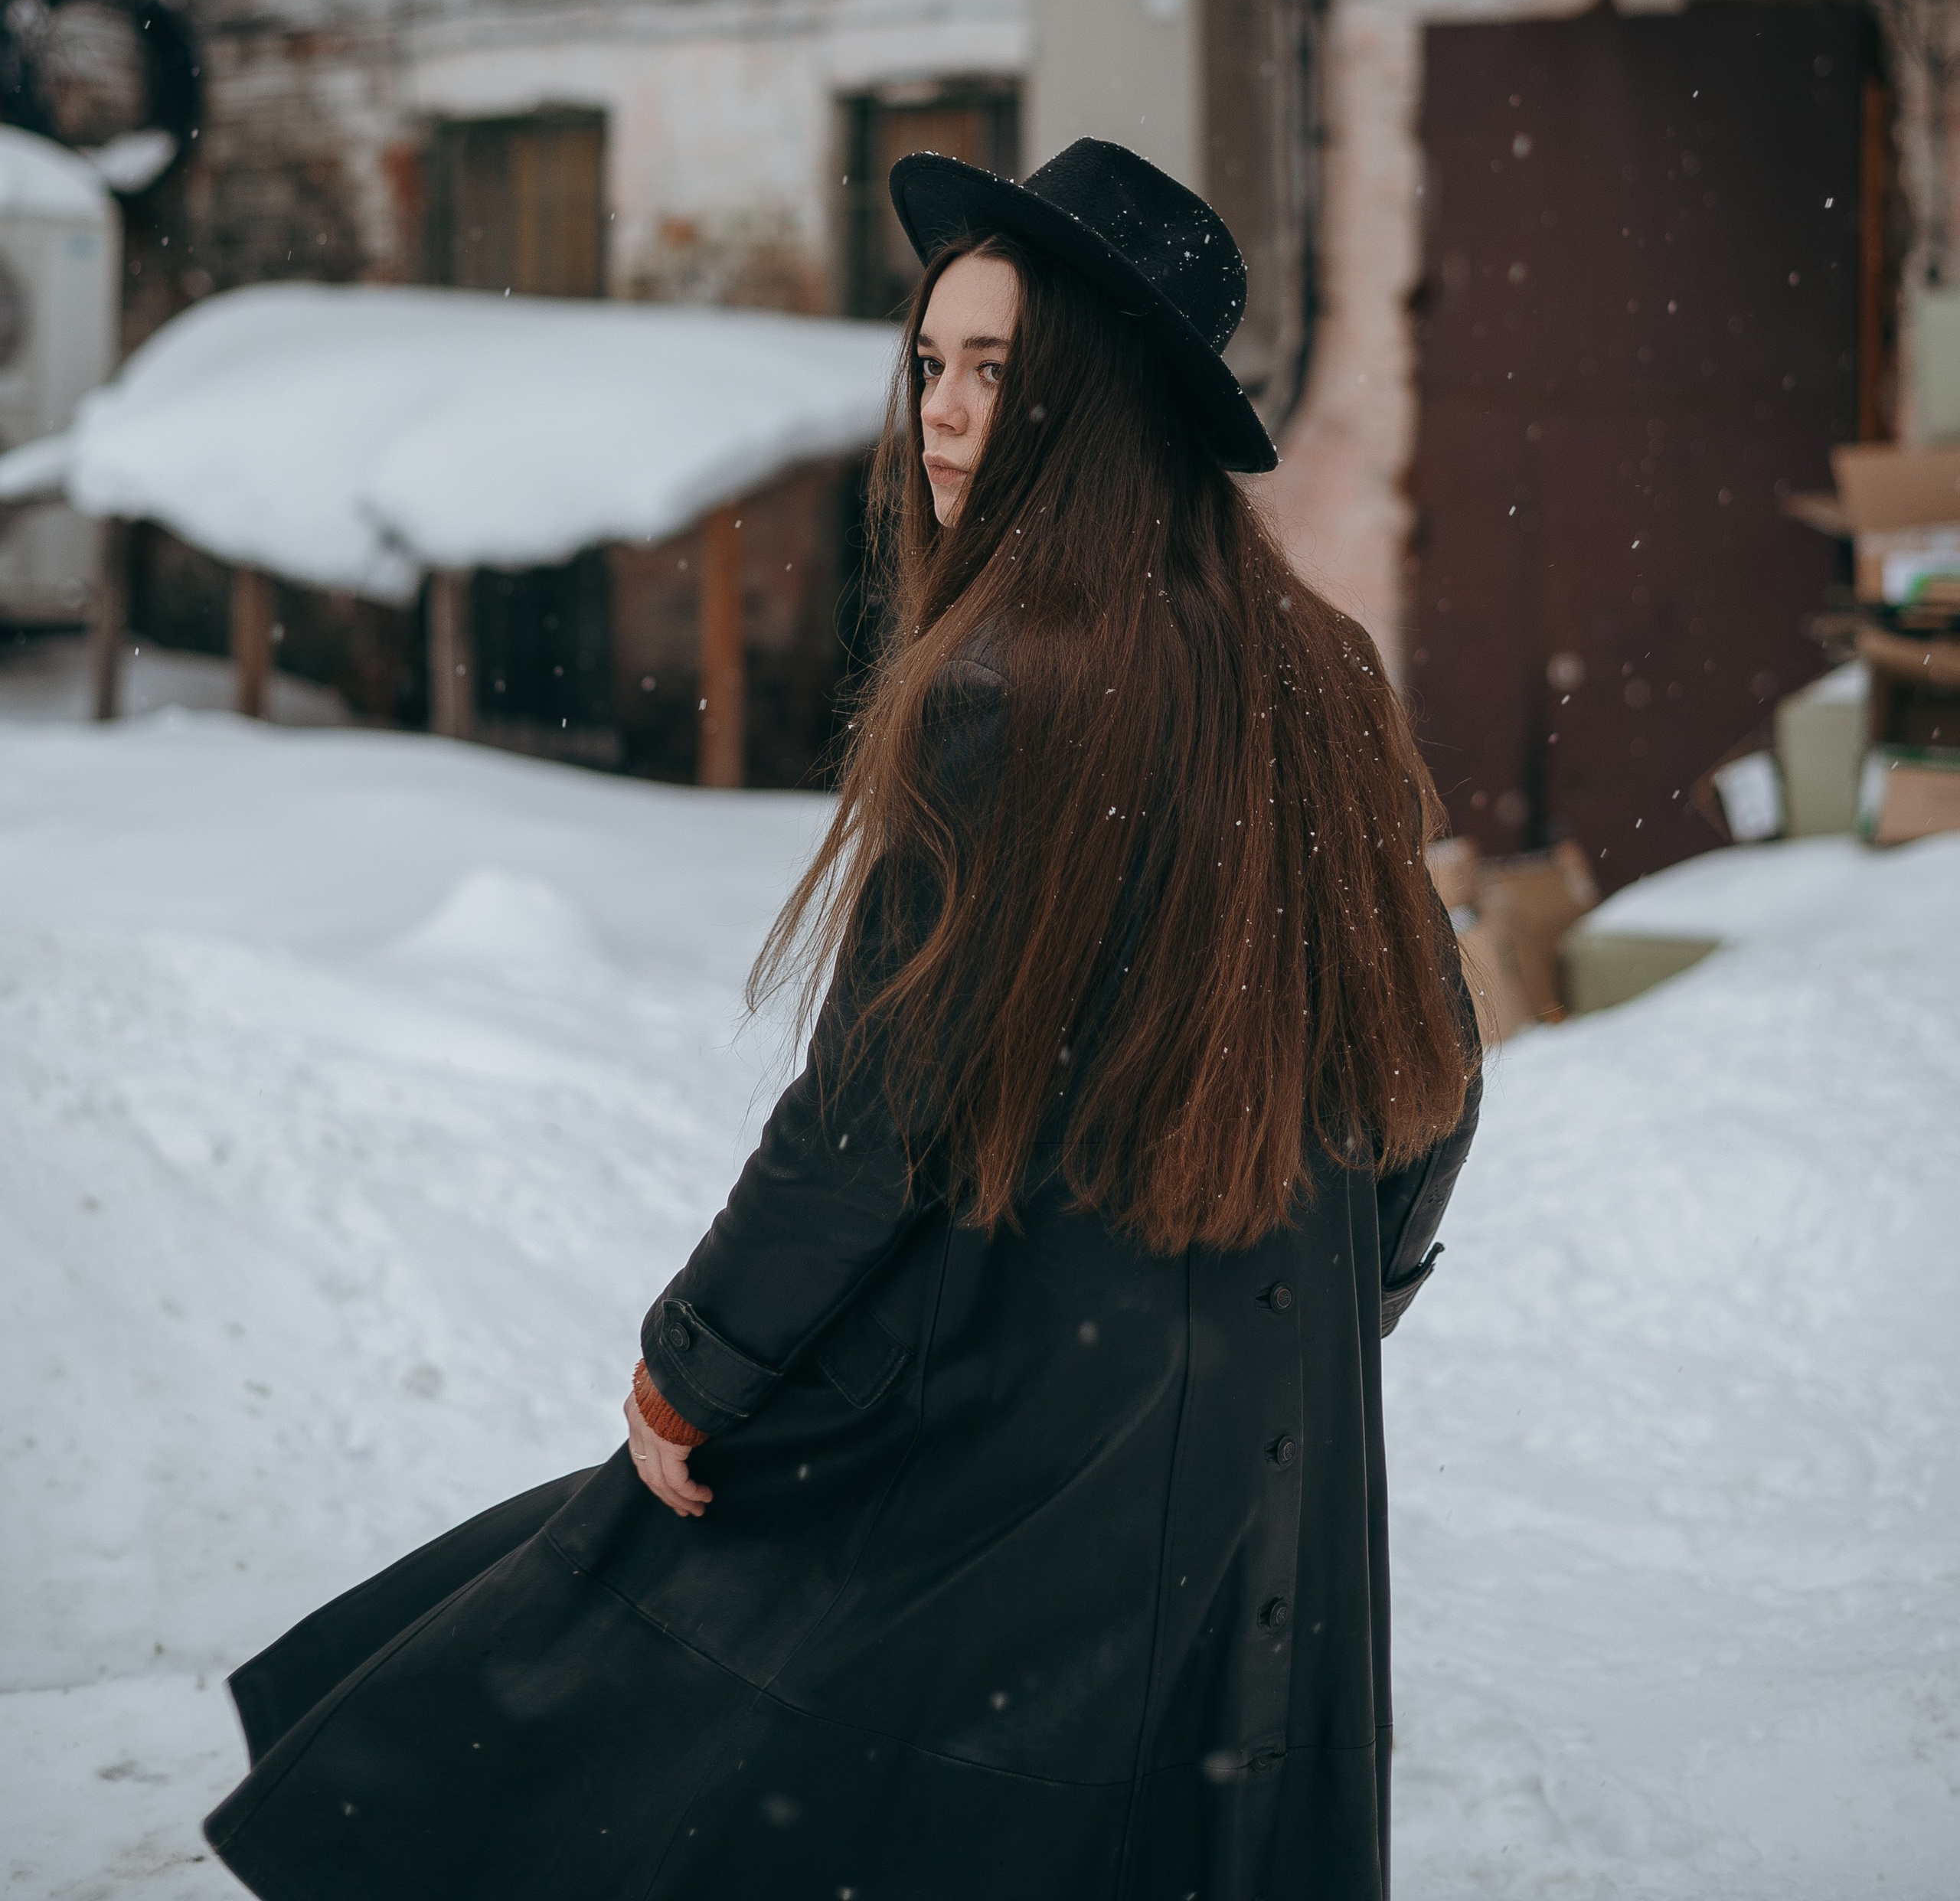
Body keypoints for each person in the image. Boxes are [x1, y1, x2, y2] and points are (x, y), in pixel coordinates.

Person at [204, 137, 1480, 1901]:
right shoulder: (1315, 661)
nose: (943, 414)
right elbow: (1433, 1069)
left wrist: (694, 1367)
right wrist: (1350, 1302)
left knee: (616, 1710)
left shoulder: (1003, 688)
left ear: (1097, 405)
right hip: (1272, 1420)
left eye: (996, 373)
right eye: (931, 363)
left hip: (1030, 1407)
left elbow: (871, 1115)